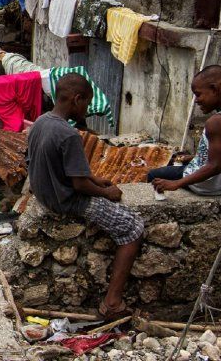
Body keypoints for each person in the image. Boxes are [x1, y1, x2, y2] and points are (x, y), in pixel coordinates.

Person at [26, 73, 143, 320]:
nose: (87, 109)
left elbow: (69, 170)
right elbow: (79, 184)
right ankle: (112, 302)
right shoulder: (68, 134)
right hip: (67, 200)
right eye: (87, 104)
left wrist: (93, 178)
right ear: (77, 99)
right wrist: (105, 191)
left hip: (46, 193)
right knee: (132, 228)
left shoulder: (41, 122)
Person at [149, 65, 221, 196]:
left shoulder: (216, 122)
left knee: (153, 174)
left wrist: (176, 184)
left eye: (198, 94)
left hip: (209, 186)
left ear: (214, 89)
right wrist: (195, 158)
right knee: (174, 162)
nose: (196, 101)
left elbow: (214, 167)